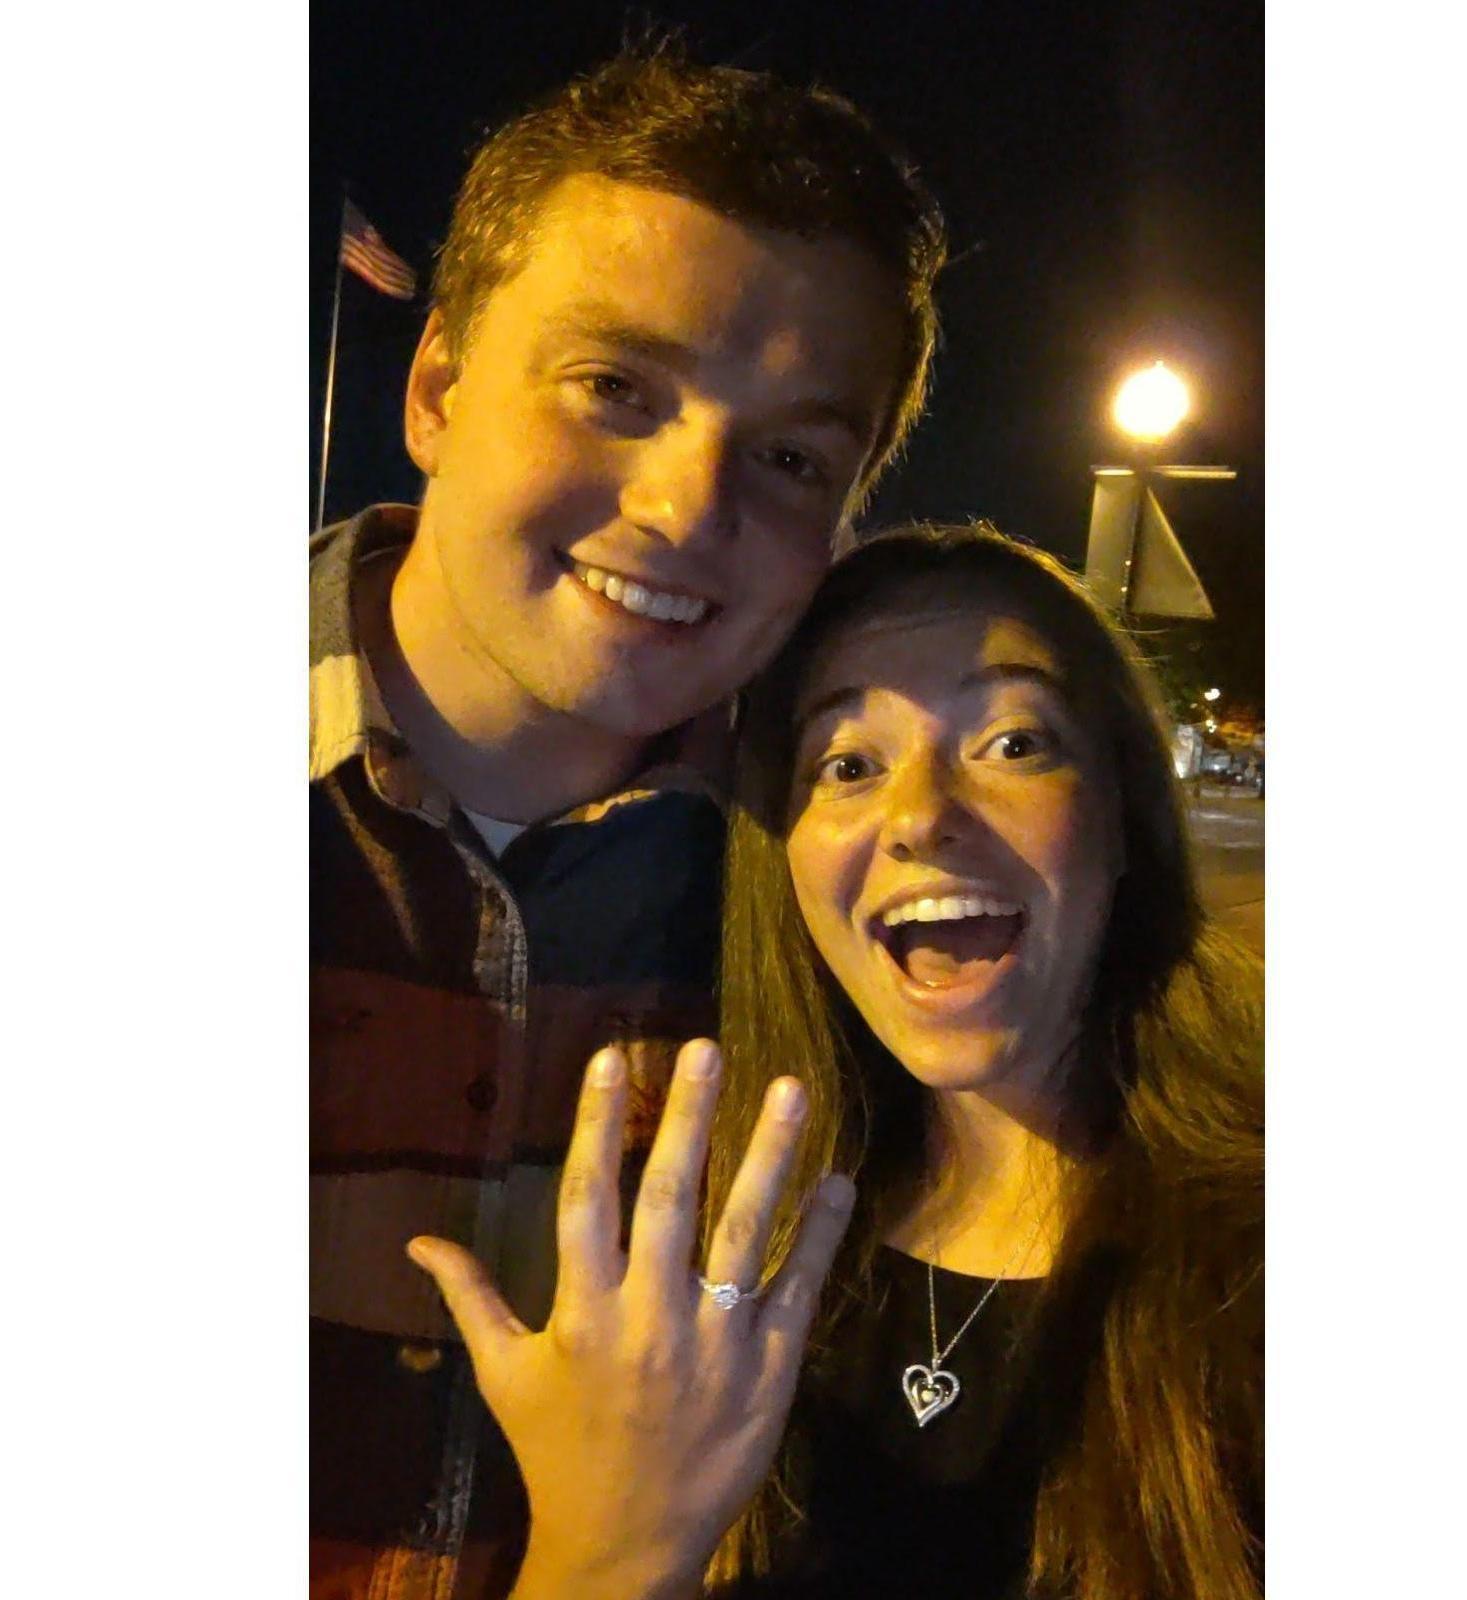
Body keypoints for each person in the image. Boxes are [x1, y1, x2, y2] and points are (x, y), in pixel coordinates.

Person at [310, 43, 946, 1600]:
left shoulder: (858, 902)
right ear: (438, 385)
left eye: (792, 456)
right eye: (616, 387)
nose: (684, 506)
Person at [415, 522, 1264, 1598]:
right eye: (848, 763)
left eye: (1012, 742)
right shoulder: (710, 1263)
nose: (920, 816)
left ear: (1123, 810)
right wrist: (601, 1546)